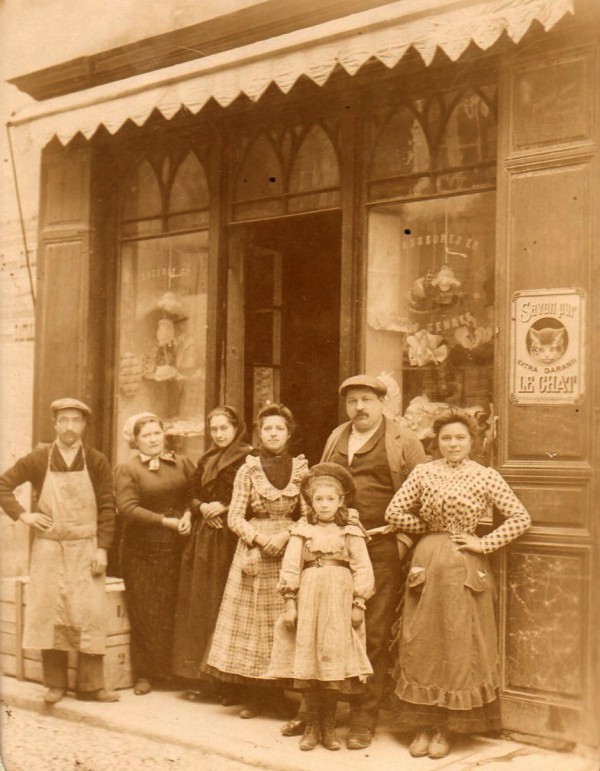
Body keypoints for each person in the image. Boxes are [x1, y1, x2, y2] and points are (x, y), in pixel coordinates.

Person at [282, 374, 427, 749]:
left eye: (366, 400)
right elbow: (317, 486)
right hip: (332, 548)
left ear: (383, 403)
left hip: (378, 547)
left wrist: (403, 539)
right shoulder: (337, 436)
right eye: (352, 401)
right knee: (322, 627)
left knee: (371, 633)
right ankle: (317, 714)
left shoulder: (403, 440)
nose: (359, 408)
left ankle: (364, 718)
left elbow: (423, 494)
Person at [384, 408, 531, 759]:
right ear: (436, 442)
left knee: (461, 644)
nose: (452, 444)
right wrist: (428, 529)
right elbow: (394, 513)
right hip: (428, 561)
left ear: (471, 442)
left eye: (460, 438)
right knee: (423, 641)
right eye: (446, 438)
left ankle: (446, 728)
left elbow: (520, 517)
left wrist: (483, 542)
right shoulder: (423, 472)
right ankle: (422, 723)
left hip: (466, 565)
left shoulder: (485, 476)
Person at [0, 398, 119, 704]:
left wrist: (103, 548)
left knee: (89, 614)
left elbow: (107, 507)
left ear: (84, 425)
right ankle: (55, 684)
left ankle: (90, 686)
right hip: (49, 548)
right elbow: (3, 484)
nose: (69, 427)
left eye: (75, 421)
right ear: (55, 424)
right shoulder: (40, 458)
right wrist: (24, 514)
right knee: (49, 613)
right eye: (63, 420)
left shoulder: (96, 461)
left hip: (86, 547)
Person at [206, 403, 309, 719]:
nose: (273, 433)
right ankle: (255, 697)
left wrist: (285, 537)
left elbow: (308, 515)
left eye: (279, 428)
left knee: (283, 620)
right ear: (259, 434)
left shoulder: (301, 468)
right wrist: (262, 539)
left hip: (289, 550)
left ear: (288, 433)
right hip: (254, 549)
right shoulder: (248, 469)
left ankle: (280, 695)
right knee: (254, 624)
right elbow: (235, 516)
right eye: (267, 429)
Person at [267, 463, 375, 751]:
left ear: (342, 501)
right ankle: (312, 725)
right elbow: (290, 568)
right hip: (310, 599)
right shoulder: (303, 531)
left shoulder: (349, 531)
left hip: (339, 602)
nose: (325, 505)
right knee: (310, 661)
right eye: (318, 499)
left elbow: (362, 568)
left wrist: (359, 603)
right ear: (310, 502)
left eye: (331, 499)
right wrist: (290, 604)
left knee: (332, 661)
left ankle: (329, 726)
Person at [172, 405, 252, 702]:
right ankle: (203, 679)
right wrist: (202, 507)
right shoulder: (206, 459)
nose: (219, 434)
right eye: (214, 429)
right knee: (201, 606)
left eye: (224, 429)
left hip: (232, 540)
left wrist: (228, 507)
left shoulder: (249, 457)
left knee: (227, 608)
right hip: (205, 541)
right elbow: (191, 494)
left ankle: (231, 685)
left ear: (236, 429)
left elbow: (255, 497)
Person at [115, 413, 194, 695]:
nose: (152, 439)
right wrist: (165, 521)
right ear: (135, 441)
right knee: (145, 611)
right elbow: (128, 508)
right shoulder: (128, 469)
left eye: (156, 433)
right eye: (145, 435)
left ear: (164, 435)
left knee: (171, 608)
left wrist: (187, 514)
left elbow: (192, 494)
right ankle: (144, 674)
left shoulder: (181, 462)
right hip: (141, 550)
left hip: (176, 547)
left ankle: (168, 672)